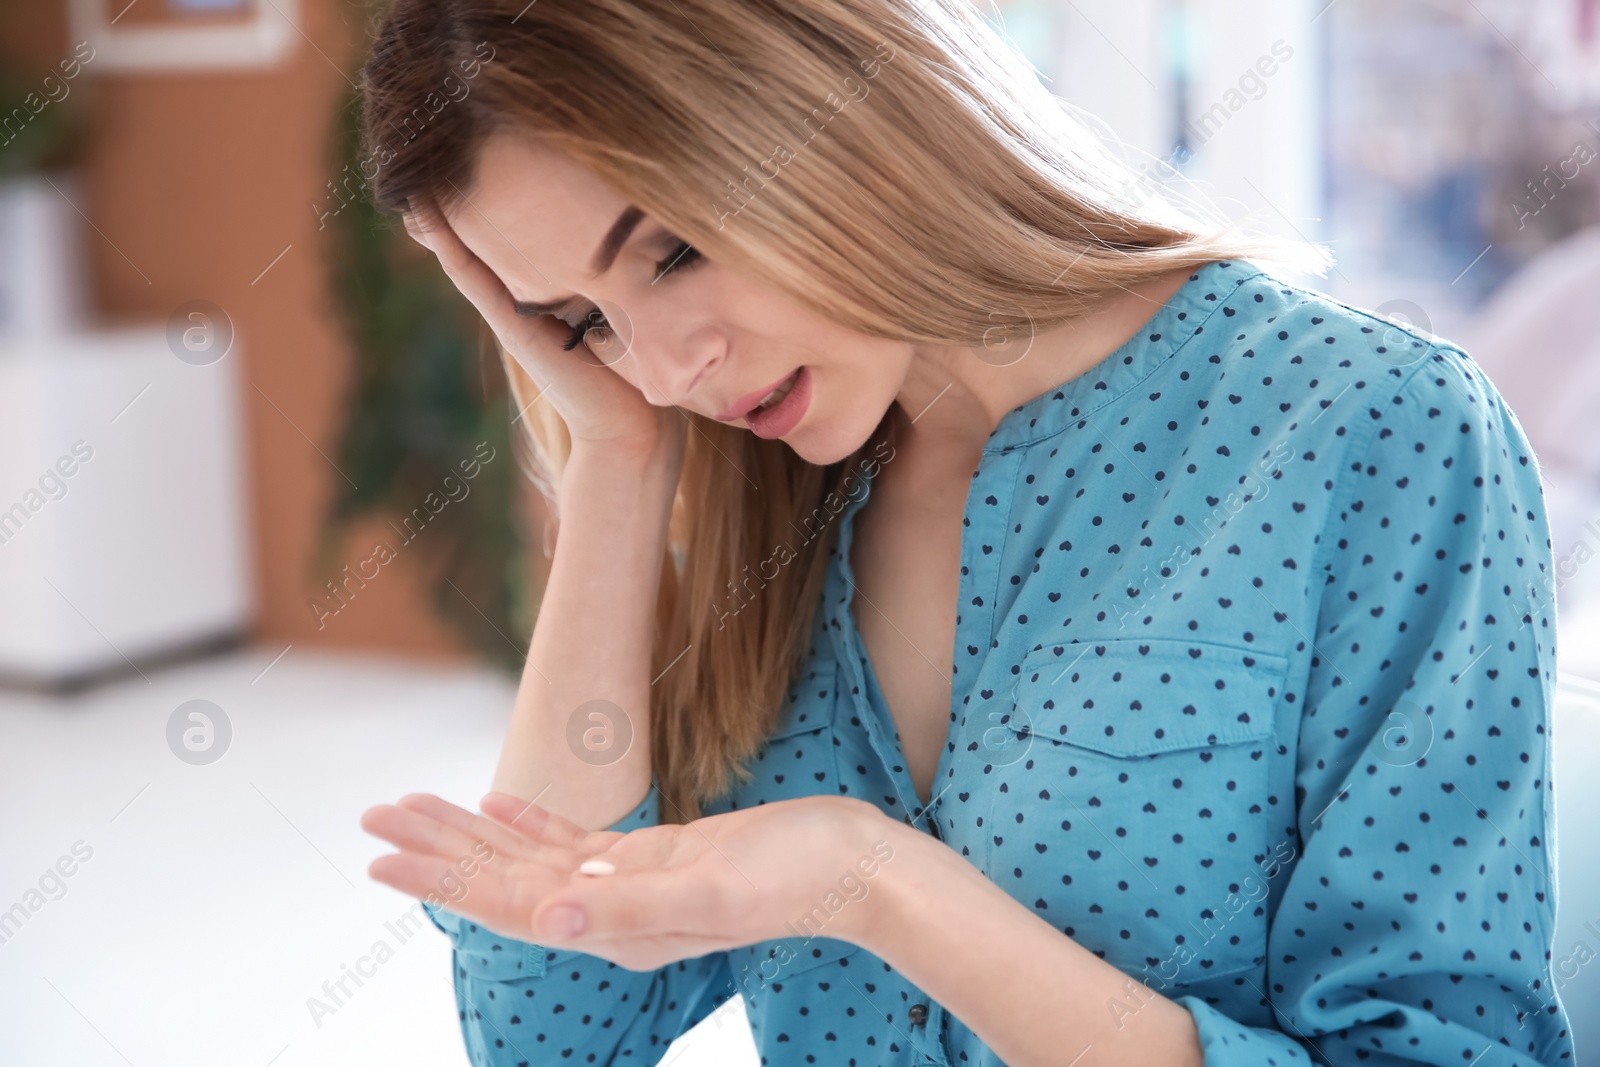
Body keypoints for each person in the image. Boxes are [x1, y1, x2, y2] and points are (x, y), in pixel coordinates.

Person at [354, 1, 1574, 1064]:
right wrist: (615, 467)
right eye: (581, 320)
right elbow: (549, 1035)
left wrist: (875, 883)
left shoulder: (1361, 429)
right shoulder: (744, 488)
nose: (666, 367)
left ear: (837, 99)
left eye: (673, 250)